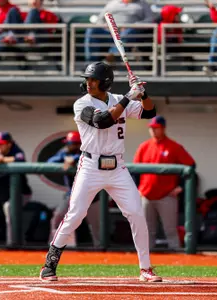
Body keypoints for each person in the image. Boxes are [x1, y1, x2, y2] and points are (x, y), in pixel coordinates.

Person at [39, 61, 161, 282]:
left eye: (93, 80)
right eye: (87, 79)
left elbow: (150, 112)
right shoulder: (81, 104)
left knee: (136, 213)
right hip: (90, 167)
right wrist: (128, 97)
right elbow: (103, 120)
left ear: (105, 82)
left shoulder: (116, 100)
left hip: (118, 168)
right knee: (75, 215)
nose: (89, 83)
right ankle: (50, 263)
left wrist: (142, 94)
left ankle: (146, 268)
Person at [133, 116, 195, 251]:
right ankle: (145, 262)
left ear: (163, 128)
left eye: (156, 128)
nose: (153, 131)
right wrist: (137, 189)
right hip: (146, 195)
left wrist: (181, 187)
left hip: (167, 195)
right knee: (147, 231)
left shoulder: (174, 146)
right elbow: (135, 171)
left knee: (170, 231)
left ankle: (177, 263)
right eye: (151, 128)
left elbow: (191, 167)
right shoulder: (144, 147)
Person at [47, 131, 100, 248]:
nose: (70, 146)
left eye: (73, 143)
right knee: (58, 218)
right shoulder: (65, 152)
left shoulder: (88, 150)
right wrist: (65, 158)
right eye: (69, 143)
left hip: (92, 195)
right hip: (73, 194)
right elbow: (50, 162)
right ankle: (53, 246)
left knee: (96, 226)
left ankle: (100, 250)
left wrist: (75, 158)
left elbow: (91, 158)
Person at [84, 0, 154, 64]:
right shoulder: (112, 3)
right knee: (91, 30)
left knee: (127, 32)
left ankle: (112, 55)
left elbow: (150, 20)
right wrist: (107, 26)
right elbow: (100, 20)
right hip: (109, 32)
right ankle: (91, 64)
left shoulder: (143, 4)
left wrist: (134, 25)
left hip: (131, 32)